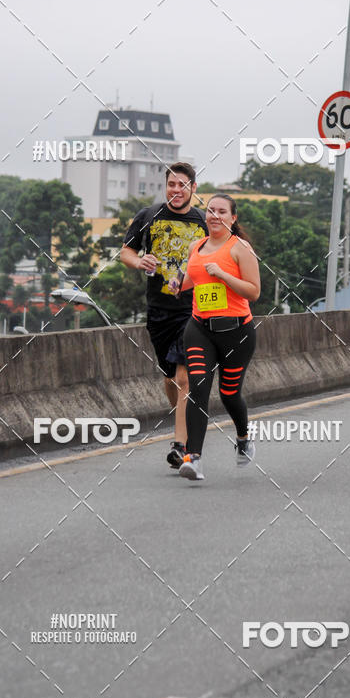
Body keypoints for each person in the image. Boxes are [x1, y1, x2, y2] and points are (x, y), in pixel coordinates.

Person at [120, 163, 207, 468]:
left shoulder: (203, 221)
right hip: (159, 311)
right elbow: (125, 252)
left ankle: (180, 444)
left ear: (193, 189)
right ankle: (183, 422)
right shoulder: (148, 216)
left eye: (182, 185)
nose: (176, 190)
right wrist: (139, 261)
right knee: (171, 378)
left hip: (193, 310)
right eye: (172, 184)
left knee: (185, 377)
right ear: (166, 186)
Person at [171, 194, 261, 481]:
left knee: (229, 394)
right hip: (199, 329)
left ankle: (244, 437)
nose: (215, 215)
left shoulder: (240, 249)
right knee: (198, 388)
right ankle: (193, 458)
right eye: (211, 210)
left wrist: (223, 274)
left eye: (222, 211)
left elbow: (253, 292)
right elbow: (190, 281)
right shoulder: (195, 247)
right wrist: (175, 284)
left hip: (237, 333)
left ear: (233, 218)